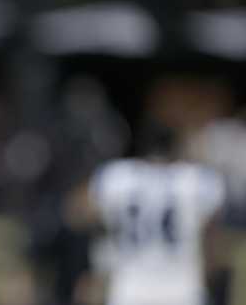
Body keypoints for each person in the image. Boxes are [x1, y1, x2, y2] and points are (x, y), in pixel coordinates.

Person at [86, 125, 225, 305]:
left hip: (129, 291)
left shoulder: (117, 177)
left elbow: (84, 214)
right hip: (182, 291)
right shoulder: (194, 179)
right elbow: (212, 239)